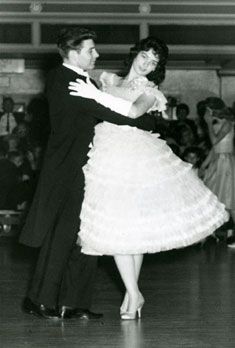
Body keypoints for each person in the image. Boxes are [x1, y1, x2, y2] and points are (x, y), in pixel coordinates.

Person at [69, 37, 229, 320]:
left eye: (154, 62)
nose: (147, 64)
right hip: (106, 154)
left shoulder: (151, 91)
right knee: (117, 226)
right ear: (135, 54)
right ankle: (134, 293)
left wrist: (93, 95)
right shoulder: (108, 79)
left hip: (135, 156)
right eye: (145, 56)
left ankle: (133, 294)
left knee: (132, 229)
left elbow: (132, 112)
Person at [19, 27, 159, 320]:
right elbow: (112, 112)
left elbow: (106, 98)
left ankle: (74, 302)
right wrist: (145, 121)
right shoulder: (63, 78)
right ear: (73, 53)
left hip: (90, 166)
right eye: (90, 50)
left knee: (88, 236)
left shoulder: (84, 80)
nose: (96, 54)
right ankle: (39, 299)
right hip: (68, 167)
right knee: (62, 235)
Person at [200, 97, 235, 245]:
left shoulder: (227, 123)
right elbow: (215, 149)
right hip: (217, 162)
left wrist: (208, 124)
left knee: (230, 198)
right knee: (211, 198)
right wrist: (203, 165)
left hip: (226, 163)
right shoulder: (217, 124)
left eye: (208, 110)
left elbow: (215, 142)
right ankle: (210, 234)